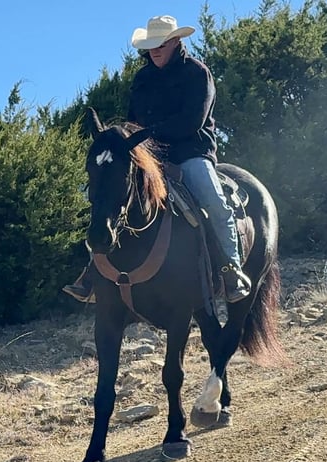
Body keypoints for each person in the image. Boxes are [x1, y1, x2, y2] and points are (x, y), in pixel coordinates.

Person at [63, 15, 251, 303]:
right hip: (146, 156)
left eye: (161, 44)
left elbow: (193, 121)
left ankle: (231, 270)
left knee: (213, 200)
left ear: (176, 41)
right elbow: (132, 121)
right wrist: (127, 140)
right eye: (151, 45)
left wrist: (149, 135)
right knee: (104, 194)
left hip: (190, 153)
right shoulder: (142, 79)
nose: (155, 51)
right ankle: (92, 272)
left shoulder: (197, 73)